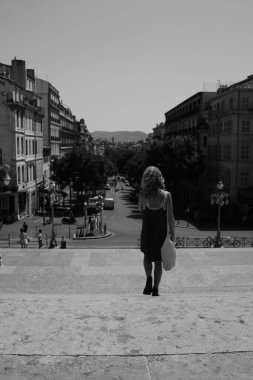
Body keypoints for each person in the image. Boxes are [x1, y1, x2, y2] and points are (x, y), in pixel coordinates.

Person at [138, 166, 175, 296]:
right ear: (160, 179)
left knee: (147, 257)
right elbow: (170, 217)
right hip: (161, 234)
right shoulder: (166, 196)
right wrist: (173, 233)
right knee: (158, 261)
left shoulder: (142, 194)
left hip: (147, 232)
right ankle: (156, 289)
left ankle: (148, 279)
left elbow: (140, 208)